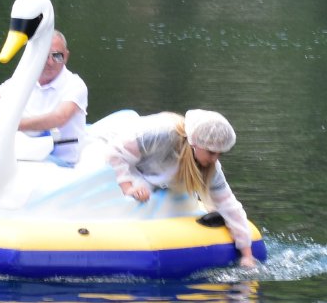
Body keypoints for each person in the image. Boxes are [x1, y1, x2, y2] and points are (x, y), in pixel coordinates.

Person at [80, 109, 257, 267]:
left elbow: (228, 205)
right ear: (195, 142)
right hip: (111, 145)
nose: (214, 159)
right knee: (130, 191)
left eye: (219, 154)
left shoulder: (211, 168)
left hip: (147, 169)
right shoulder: (162, 135)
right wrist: (128, 187)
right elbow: (115, 152)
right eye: (211, 152)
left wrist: (247, 256)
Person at [0, 31, 88, 164]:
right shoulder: (23, 81)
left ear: (66, 56)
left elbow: (59, 118)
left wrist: (12, 125)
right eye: (44, 56)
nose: (50, 62)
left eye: (57, 56)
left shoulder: (75, 85)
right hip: (28, 159)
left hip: (64, 163)